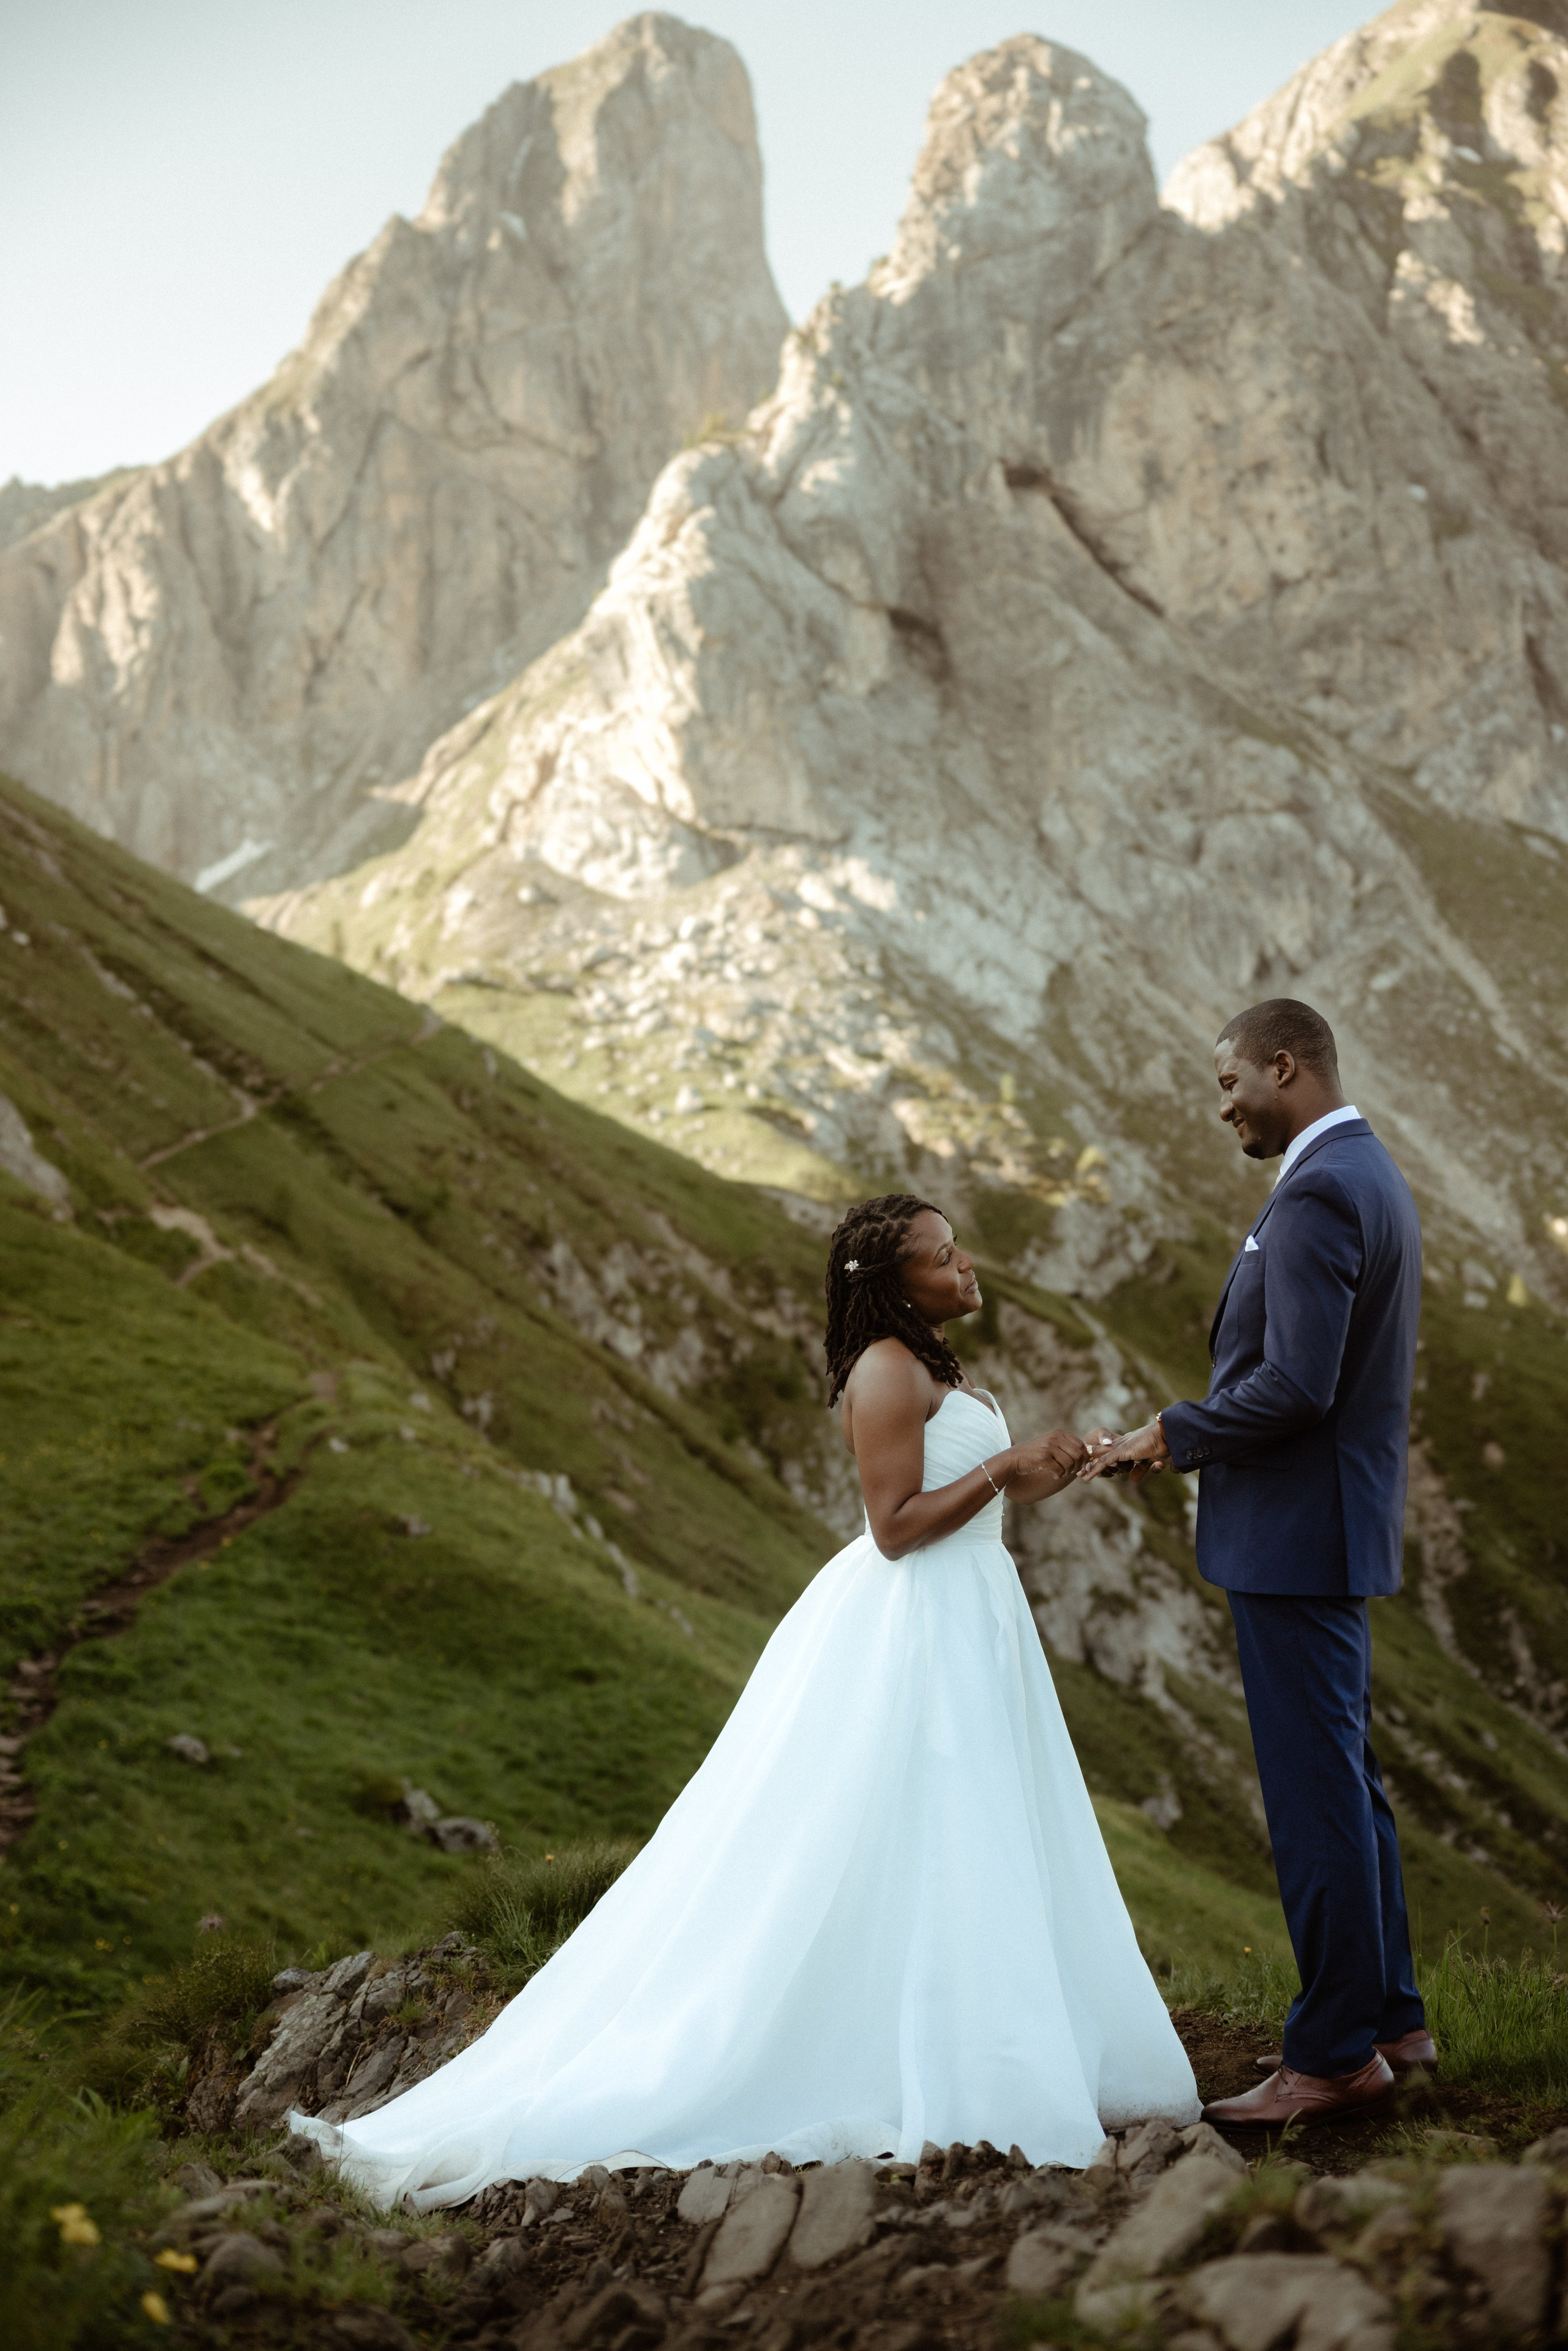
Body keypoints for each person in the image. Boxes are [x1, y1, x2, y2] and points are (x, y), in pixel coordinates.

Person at [292, 1191, 1196, 2207]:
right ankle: (917, 2046)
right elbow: (896, 1524)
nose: (967, 1265)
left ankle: (979, 2024)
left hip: (976, 1613)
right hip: (920, 1622)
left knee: (971, 1827)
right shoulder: (887, 1369)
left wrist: (1055, 1465)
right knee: (933, 1824)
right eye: (944, 1257)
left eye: (957, 1249)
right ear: (897, 1285)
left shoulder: (934, 1362)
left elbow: (983, 1491)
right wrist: (1001, 1466)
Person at [1081, 1000, 1434, 2127]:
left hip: (1295, 1537)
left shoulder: (1323, 1189)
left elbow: (1297, 1385)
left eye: (1231, 1078)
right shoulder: (1367, 1171)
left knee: (1315, 1793)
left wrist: (1167, 1434)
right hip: (1326, 1529)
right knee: (1349, 1779)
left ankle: (1332, 2054)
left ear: (1286, 1066)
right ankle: (1392, 2019)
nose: (1222, 1099)